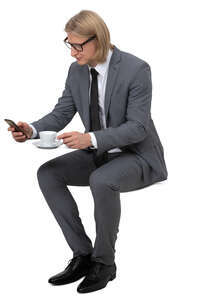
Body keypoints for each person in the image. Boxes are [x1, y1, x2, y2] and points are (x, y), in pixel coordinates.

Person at [7, 10, 167, 293]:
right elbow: (62, 112)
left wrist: (90, 138)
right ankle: (83, 255)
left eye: (78, 45)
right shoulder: (77, 71)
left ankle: (105, 263)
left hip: (137, 156)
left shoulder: (136, 69)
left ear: (100, 39)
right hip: (100, 154)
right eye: (69, 44)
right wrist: (30, 130)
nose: (72, 52)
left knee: (102, 180)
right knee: (48, 173)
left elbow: (138, 127)